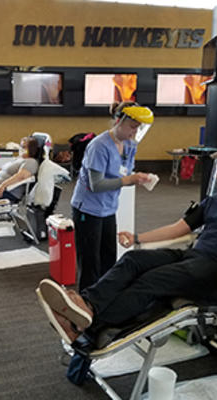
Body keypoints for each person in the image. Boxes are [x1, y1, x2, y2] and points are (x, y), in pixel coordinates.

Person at [38, 142, 217, 345]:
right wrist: (137, 239)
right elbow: (178, 228)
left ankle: (86, 327)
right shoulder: (215, 200)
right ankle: (87, 304)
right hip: (193, 256)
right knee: (133, 259)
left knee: (151, 280)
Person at [70, 101, 153, 291]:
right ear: (118, 121)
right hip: (88, 208)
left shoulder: (129, 145)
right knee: (90, 261)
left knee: (108, 258)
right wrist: (128, 180)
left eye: (138, 128)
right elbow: (96, 184)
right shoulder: (99, 146)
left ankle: (105, 299)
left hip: (108, 208)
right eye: (132, 126)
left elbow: (124, 171)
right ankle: (85, 303)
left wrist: (139, 178)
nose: (134, 132)